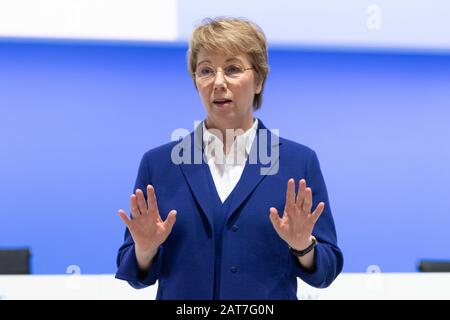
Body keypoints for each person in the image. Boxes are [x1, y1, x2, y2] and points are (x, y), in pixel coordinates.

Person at [115, 17, 343, 300]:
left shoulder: (298, 162)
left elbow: (326, 270)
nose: (218, 82)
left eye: (233, 69)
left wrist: (302, 246)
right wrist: (145, 250)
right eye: (206, 70)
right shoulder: (160, 164)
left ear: (258, 80)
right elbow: (134, 274)